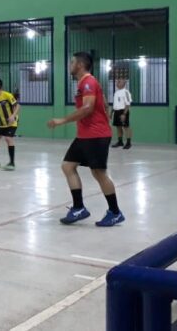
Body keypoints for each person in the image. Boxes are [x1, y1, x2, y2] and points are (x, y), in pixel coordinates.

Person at [48, 52, 125, 227]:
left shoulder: (89, 82)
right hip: (85, 135)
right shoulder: (86, 83)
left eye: (72, 62)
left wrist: (62, 120)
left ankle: (115, 212)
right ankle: (78, 207)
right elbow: (104, 103)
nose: (70, 65)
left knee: (99, 173)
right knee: (68, 166)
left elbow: (88, 108)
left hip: (95, 135)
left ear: (80, 65)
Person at [110, 78, 133, 149]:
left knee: (126, 127)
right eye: (117, 82)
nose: (117, 83)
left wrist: (124, 114)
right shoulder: (116, 93)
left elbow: (128, 104)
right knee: (118, 127)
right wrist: (111, 113)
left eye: (119, 82)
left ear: (124, 84)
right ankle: (120, 142)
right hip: (116, 111)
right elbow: (115, 104)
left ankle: (128, 143)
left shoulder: (126, 92)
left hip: (123, 111)